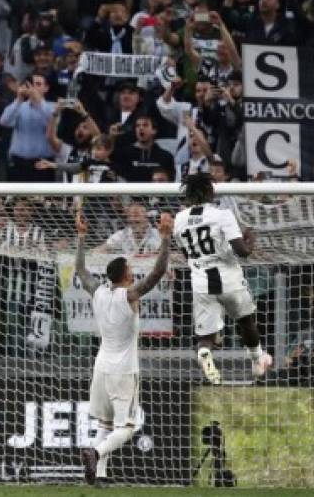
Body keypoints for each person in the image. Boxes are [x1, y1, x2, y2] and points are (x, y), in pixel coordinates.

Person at [74, 212, 172, 485]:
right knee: (127, 428)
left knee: (105, 425)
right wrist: (165, 239)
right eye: (130, 268)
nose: (132, 270)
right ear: (127, 275)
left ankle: (100, 475)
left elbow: (81, 272)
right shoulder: (129, 296)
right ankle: (95, 452)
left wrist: (81, 237)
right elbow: (157, 273)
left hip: (101, 367)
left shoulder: (98, 291)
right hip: (123, 371)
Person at [172, 173, 272, 384]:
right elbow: (242, 251)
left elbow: (186, 254)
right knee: (245, 321)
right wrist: (250, 240)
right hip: (229, 279)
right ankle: (257, 360)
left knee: (205, 337)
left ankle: (204, 352)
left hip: (201, 281)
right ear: (210, 191)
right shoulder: (222, 215)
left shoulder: (179, 220)